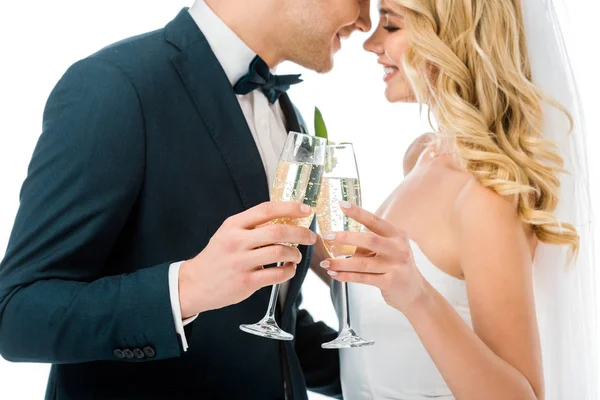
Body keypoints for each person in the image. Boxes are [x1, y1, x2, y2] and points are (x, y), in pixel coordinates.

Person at [0, 0, 372, 399]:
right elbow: (16, 316)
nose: (367, 21)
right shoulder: (116, 84)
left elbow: (260, 322)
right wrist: (186, 288)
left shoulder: (286, 113)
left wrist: (404, 367)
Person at [313, 0, 597, 398]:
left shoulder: (484, 197)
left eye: (391, 26)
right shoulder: (422, 156)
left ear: (453, 38)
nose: (370, 43)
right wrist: (303, 237)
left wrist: (418, 297)